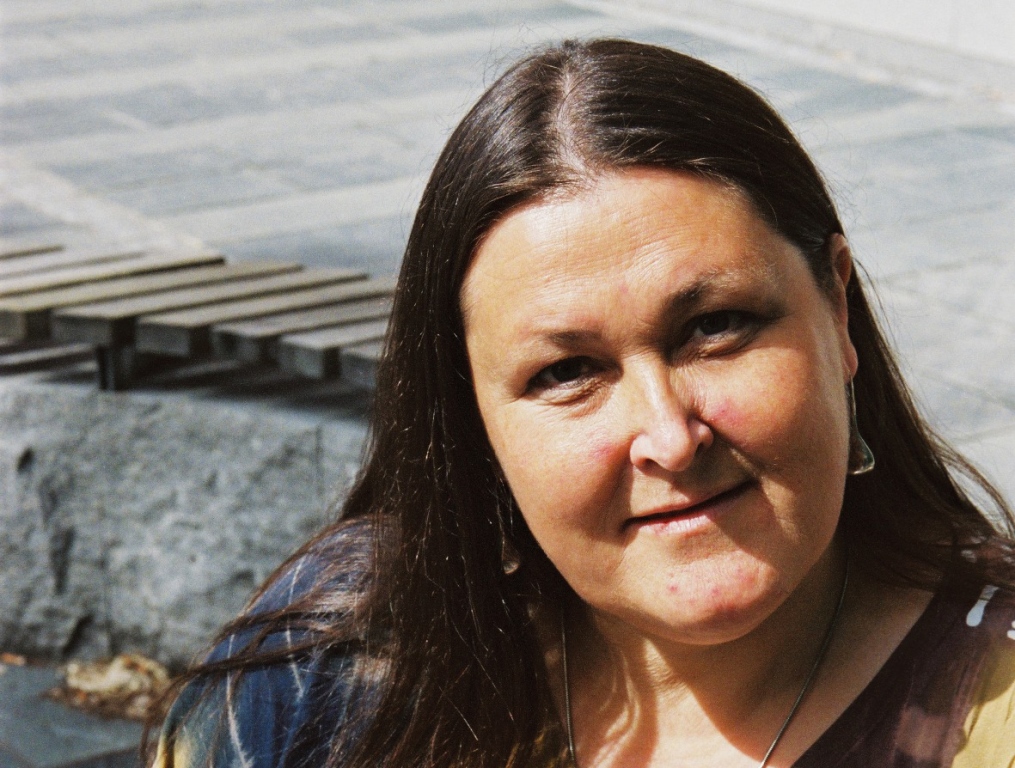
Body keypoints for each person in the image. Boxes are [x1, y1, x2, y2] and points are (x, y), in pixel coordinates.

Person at [151, 39, 1015, 768]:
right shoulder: (324, 671)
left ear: (835, 306)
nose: (669, 437)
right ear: (473, 418)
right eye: (566, 372)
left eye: (715, 326)